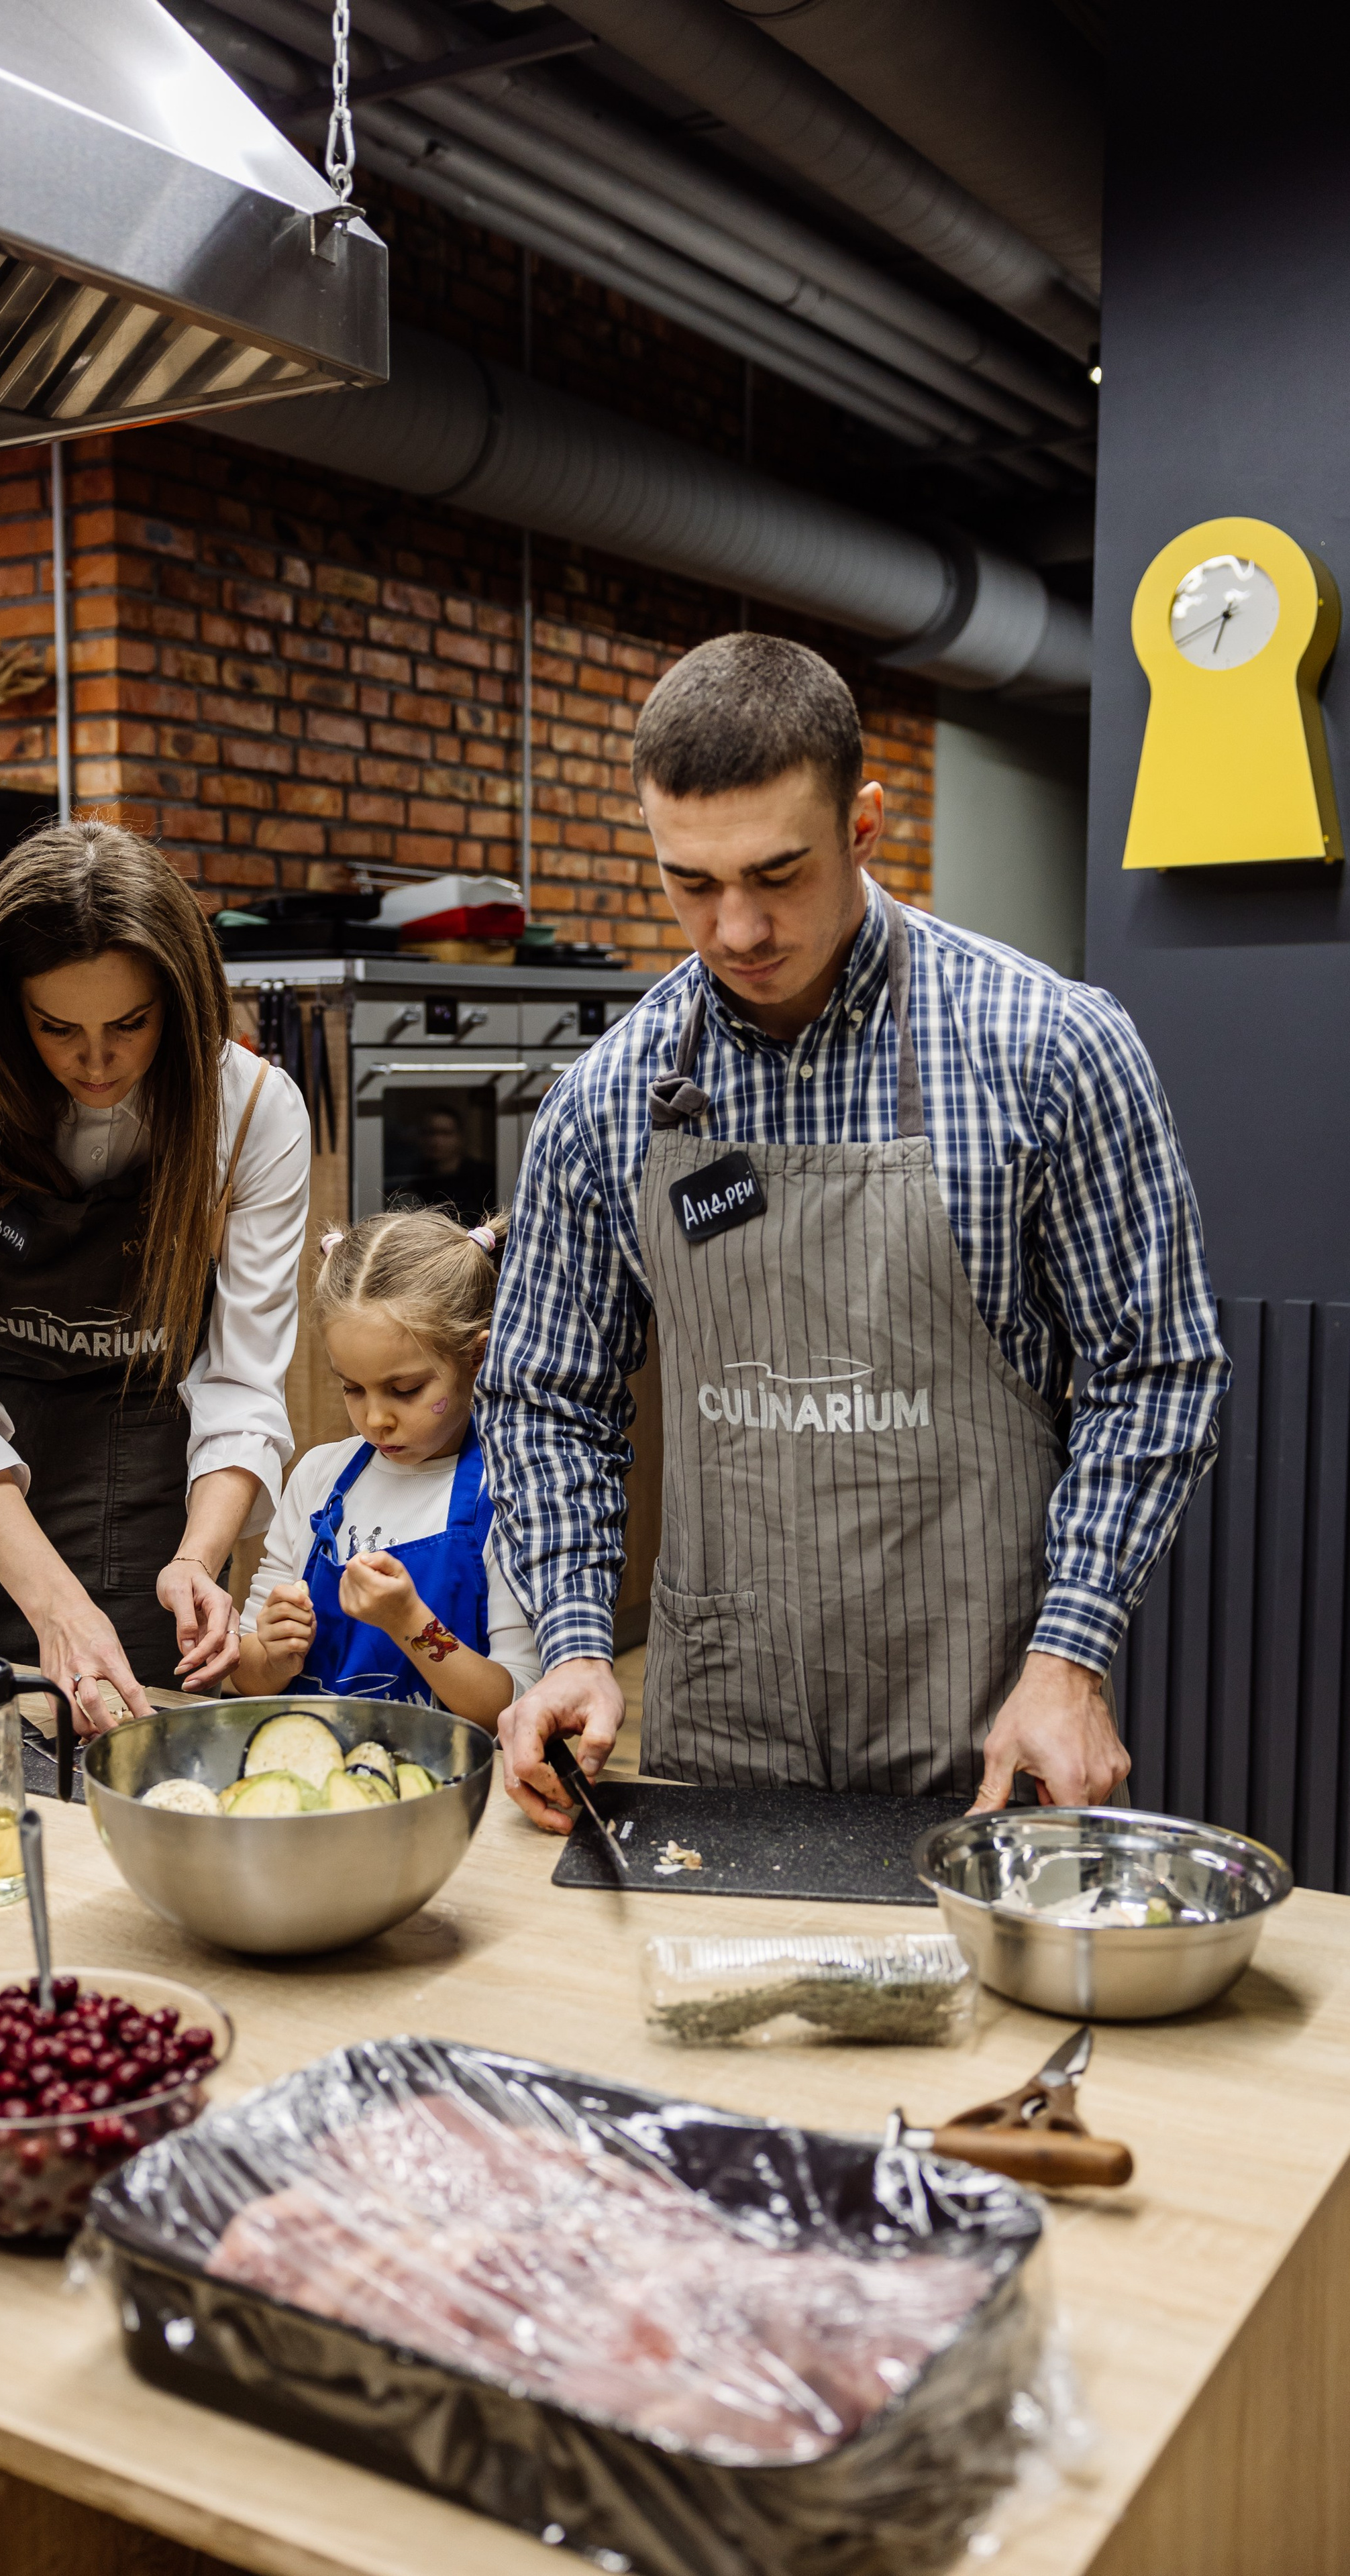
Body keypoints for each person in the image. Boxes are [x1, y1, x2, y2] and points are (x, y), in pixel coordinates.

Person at [478, 634, 1231, 1825]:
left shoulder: (1049, 1049)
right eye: (691, 883)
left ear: (864, 823)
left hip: (986, 1720)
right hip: (715, 1732)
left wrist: (1072, 1655)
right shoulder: (610, 1097)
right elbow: (543, 1396)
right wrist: (573, 1639)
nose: (734, 930)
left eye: (779, 874)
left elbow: (1155, 1369)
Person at [0, 820, 309, 1733]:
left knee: (140, 1765)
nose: (98, 1062)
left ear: (178, 998)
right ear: (7, 1009)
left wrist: (198, 1560)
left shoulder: (254, 1114)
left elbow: (240, 1383)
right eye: (56, 1028)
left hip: (158, 1471)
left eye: (131, 1023)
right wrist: (54, 1607)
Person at [234, 1209, 539, 1723]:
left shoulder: (509, 1492)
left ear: (476, 1358)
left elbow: (515, 1705)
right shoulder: (319, 1477)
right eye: (352, 1388)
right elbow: (245, 1673)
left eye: (404, 1390)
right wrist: (272, 1654)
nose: (375, 1419)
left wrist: (409, 1621)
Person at [395, 1105, 497, 1223]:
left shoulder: (483, 1177)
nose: (436, 1141)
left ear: (460, 1138)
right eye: (430, 1133)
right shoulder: (415, 1178)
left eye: (445, 1133)